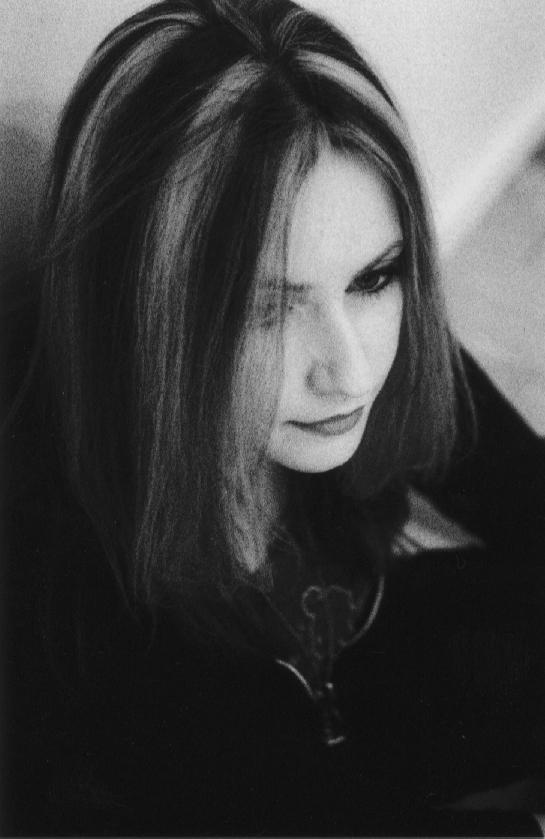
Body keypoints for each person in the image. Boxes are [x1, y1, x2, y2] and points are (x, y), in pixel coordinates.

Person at [3, 0, 545, 834]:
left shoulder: (377, 354)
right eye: (263, 309)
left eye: (372, 277)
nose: (350, 371)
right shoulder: (64, 586)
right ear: (137, 315)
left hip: (362, 661)